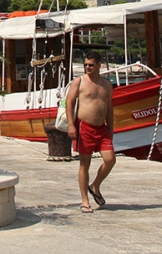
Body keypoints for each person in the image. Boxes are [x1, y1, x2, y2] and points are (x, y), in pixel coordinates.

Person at [66, 50, 115, 213]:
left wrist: (111, 129)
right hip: (84, 127)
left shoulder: (106, 85)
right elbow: (69, 103)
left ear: (99, 65)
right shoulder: (79, 82)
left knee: (110, 160)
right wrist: (71, 125)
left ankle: (95, 185)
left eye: (91, 65)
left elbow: (109, 108)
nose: (88, 67)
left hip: (102, 129)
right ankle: (85, 200)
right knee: (84, 164)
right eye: (85, 64)